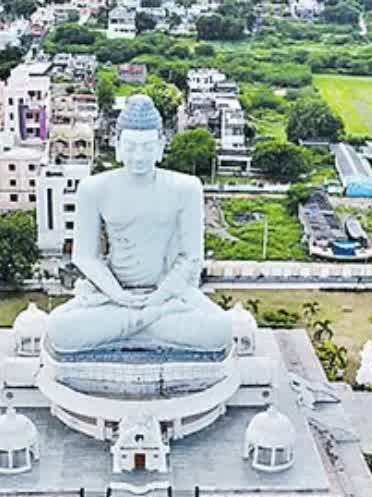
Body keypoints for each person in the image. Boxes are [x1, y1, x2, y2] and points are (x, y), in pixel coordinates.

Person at [45, 94, 232, 356]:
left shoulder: (186, 188)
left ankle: (133, 326)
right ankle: (149, 324)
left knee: (219, 330)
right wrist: (120, 296)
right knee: (59, 328)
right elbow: (85, 256)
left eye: (147, 147)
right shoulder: (94, 189)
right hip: (113, 296)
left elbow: (192, 257)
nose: (139, 156)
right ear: (117, 145)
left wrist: (158, 297)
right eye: (131, 147)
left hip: (167, 295)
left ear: (160, 146)